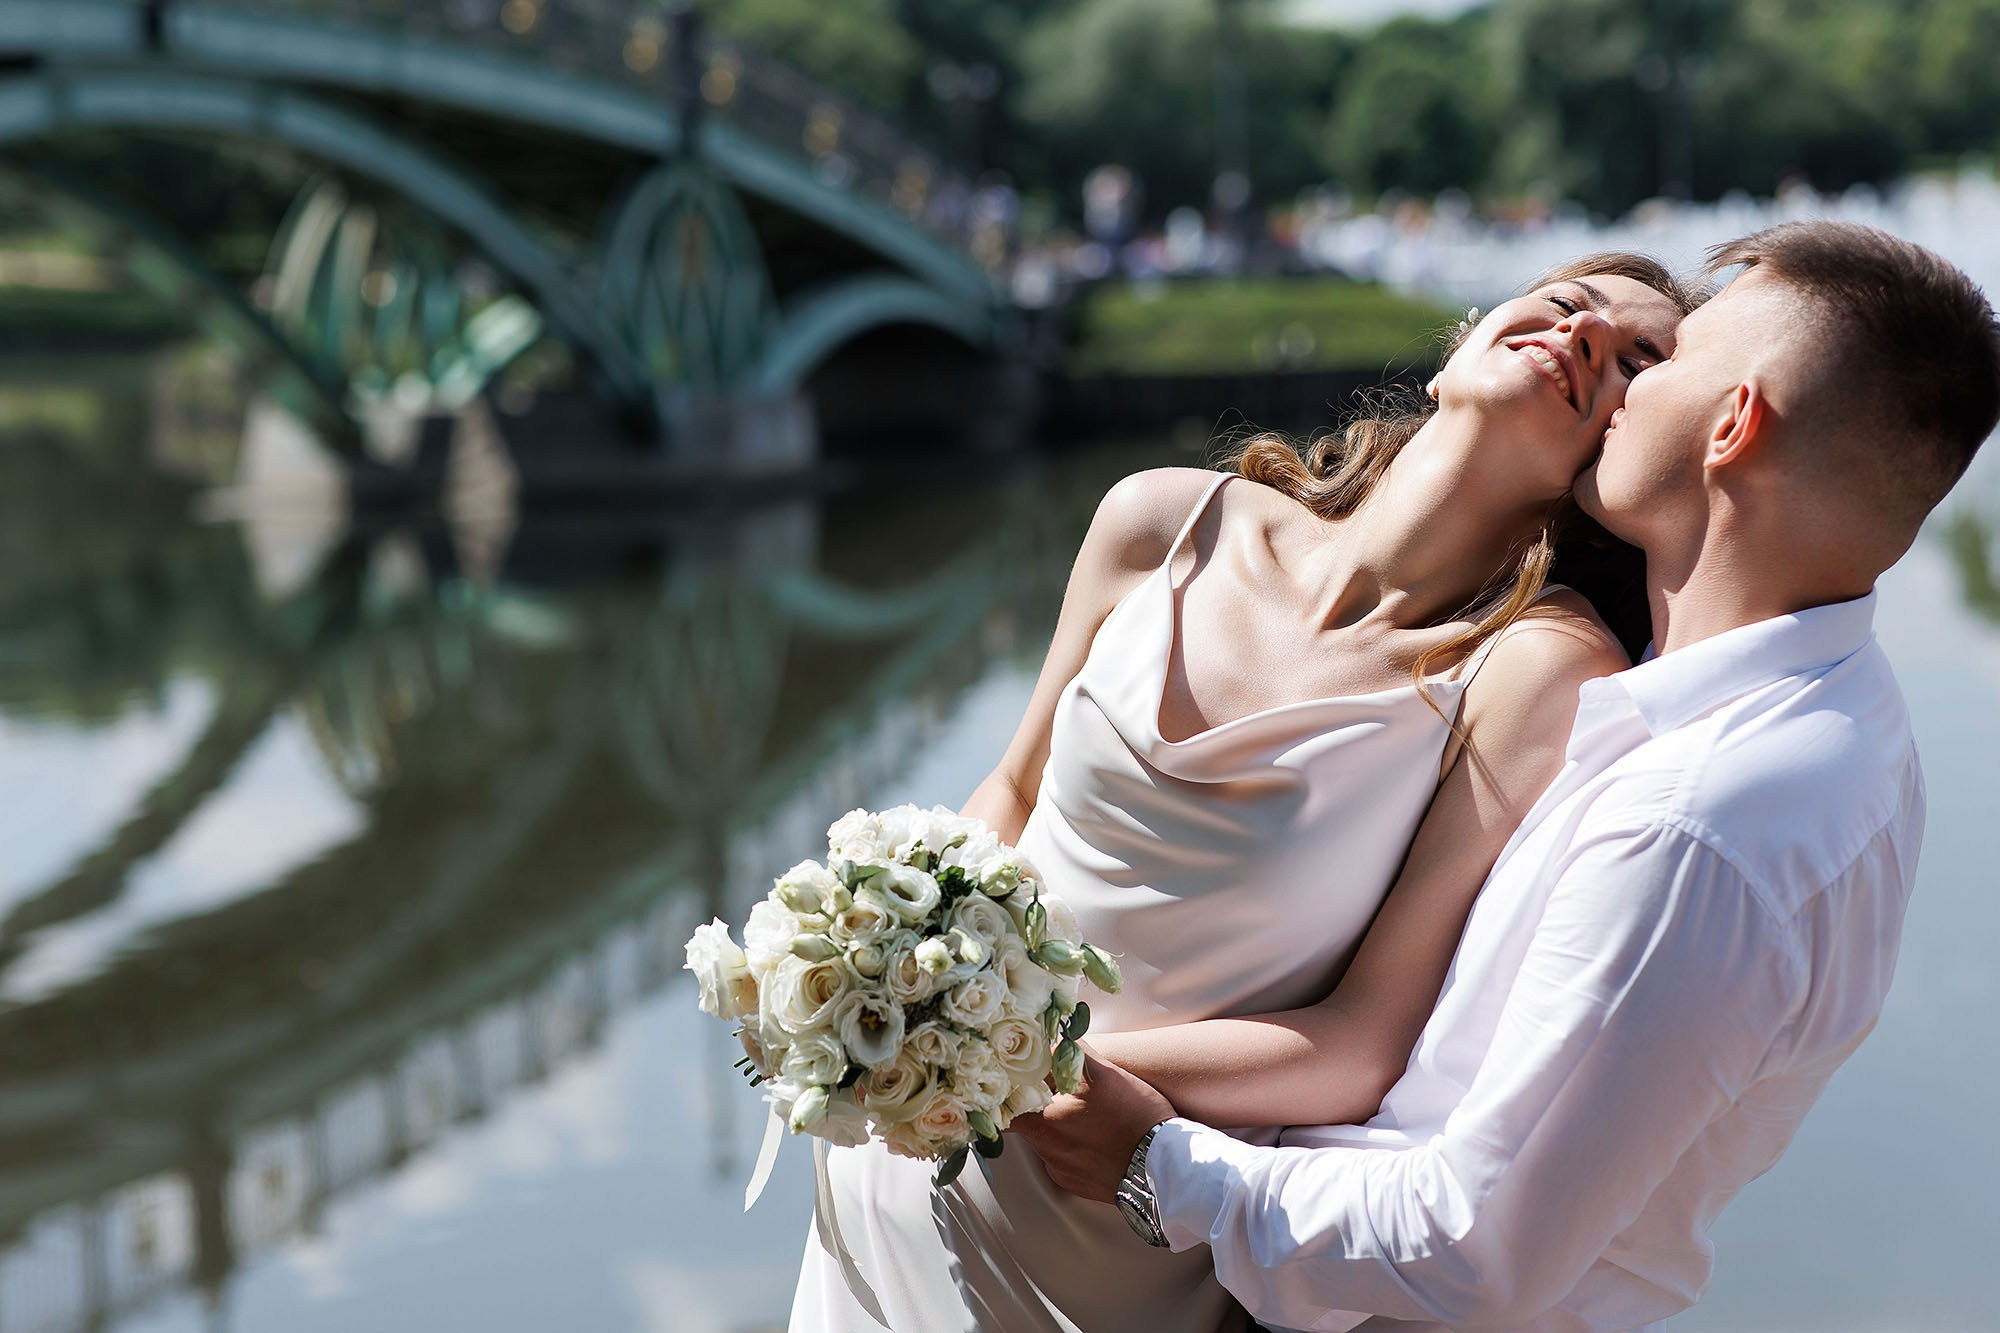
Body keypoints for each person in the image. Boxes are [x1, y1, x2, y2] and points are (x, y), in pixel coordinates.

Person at [1014, 220, 2000, 1331]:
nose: (1613, 373)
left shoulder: (1697, 824)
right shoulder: (1809, 723)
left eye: (1663, 360)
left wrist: (1149, 1162)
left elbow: (1466, 1247)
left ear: (1730, 425)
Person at [789, 253, 1701, 1332]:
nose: (1585, 334)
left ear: (1621, 460)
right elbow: (1015, 785)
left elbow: (1361, 1044)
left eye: (1632, 359)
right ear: (1460, 342)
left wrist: (1009, 1065)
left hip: (1103, 1211)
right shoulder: (1158, 520)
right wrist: (887, 978)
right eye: (1565, 301)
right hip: (899, 1162)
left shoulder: (1536, 668)